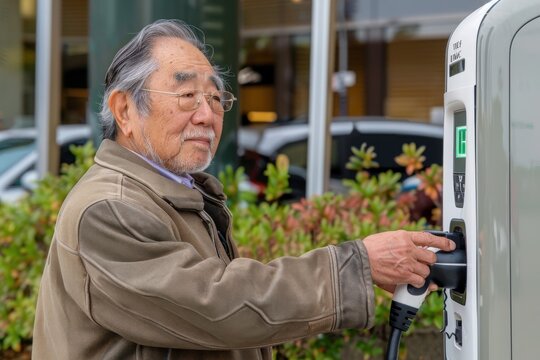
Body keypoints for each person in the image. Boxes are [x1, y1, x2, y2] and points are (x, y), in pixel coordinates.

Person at [32, 19, 455, 360]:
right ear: (125, 110)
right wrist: (357, 266)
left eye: (216, 98)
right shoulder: (110, 207)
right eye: (186, 95)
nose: (207, 115)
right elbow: (215, 305)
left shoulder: (176, 191)